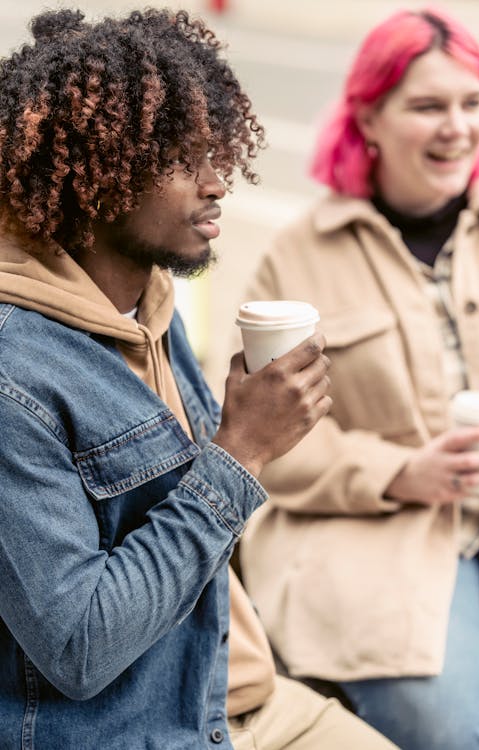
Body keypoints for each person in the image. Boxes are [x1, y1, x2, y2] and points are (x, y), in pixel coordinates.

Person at [0, 8, 401, 750]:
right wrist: (240, 452)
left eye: (219, 153)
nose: (219, 184)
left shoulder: (151, 303)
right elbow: (79, 647)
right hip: (135, 729)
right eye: (184, 160)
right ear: (97, 173)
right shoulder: (12, 377)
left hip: (237, 693)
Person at [238, 8, 479, 750]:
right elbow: (270, 443)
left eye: (471, 102)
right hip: (370, 537)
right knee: (444, 729)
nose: (457, 127)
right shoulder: (296, 256)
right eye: (427, 107)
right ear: (368, 119)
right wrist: (400, 472)